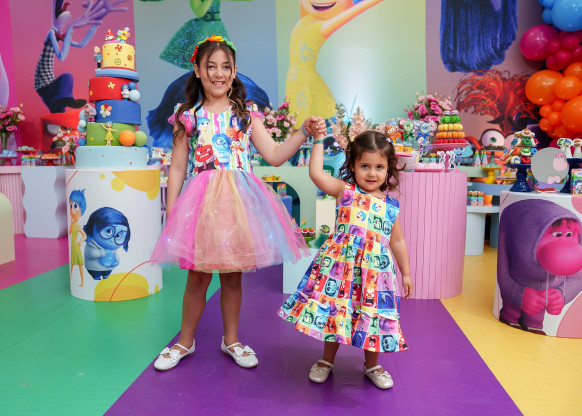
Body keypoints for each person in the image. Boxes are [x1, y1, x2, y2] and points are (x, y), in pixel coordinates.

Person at [150, 34, 326, 371]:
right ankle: (185, 341)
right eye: (211, 66)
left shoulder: (245, 114)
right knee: (197, 278)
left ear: (234, 72)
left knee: (232, 278)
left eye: (225, 67)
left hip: (236, 206)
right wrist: (172, 211)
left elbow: (274, 155)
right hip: (201, 206)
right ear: (198, 70)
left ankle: (231, 339)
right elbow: (177, 167)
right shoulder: (187, 115)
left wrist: (303, 132)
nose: (219, 73)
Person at [278, 127, 414, 390]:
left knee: (372, 315)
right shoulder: (345, 191)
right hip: (341, 271)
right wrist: (318, 139)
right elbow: (316, 174)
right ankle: (326, 360)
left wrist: (406, 273)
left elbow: (397, 241)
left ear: (388, 168)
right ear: (352, 165)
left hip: (374, 275)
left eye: (379, 167)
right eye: (365, 166)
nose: (372, 173)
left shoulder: (391, 206)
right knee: (336, 312)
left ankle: (372, 365)